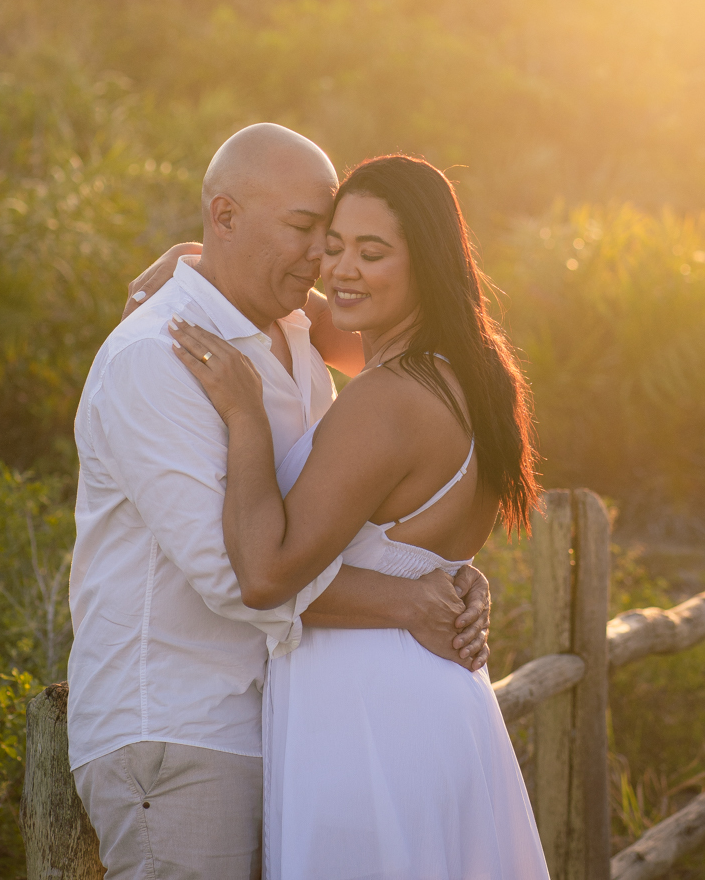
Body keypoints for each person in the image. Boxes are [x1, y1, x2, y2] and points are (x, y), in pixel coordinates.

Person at [68, 126, 492, 880]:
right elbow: (240, 577)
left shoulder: (297, 335)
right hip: (180, 729)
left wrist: (437, 569)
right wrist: (408, 598)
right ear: (224, 216)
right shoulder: (157, 361)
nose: (321, 262)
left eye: (327, 238)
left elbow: (416, 356)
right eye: (307, 232)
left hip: (282, 724)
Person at [169, 153, 550, 880]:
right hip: (434, 707)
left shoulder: (388, 399)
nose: (340, 269)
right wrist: (190, 259)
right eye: (333, 245)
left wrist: (246, 417)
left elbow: (267, 574)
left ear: (426, 264)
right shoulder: (470, 369)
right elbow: (303, 308)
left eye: (371, 253)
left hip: (368, 722)